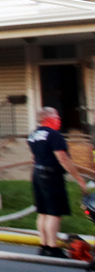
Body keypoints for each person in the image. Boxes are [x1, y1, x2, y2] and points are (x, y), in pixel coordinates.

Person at [27, 107, 89, 257]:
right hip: (51, 175)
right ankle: (53, 248)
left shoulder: (33, 135)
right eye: (56, 117)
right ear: (48, 118)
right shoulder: (54, 135)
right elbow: (62, 158)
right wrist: (79, 179)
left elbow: (36, 156)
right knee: (54, 213)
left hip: (37, 173)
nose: (59, 119)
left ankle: (44, 246)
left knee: (42, 212)